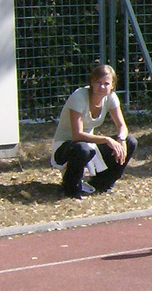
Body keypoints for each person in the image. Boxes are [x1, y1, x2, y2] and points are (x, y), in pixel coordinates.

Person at [51, 64, 134, 197]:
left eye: (106, 83)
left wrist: (121, 140)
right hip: (66, 147)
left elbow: (122, 127)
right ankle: (71, 188)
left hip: (90, 145)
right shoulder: (79, 97)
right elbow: (77, 135)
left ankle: (103, 183)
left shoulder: (111, 97)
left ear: (112, 85)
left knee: (131, 142)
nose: (102, 87)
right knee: (83, 149)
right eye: (98, 83)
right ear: (91, 82)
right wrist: (107, 140)